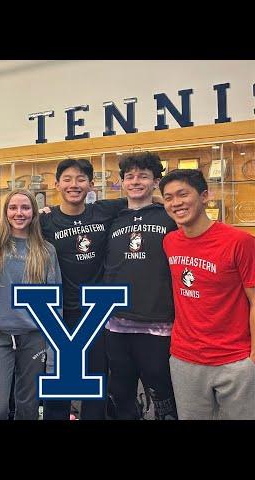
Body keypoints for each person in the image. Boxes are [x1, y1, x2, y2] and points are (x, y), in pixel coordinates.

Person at [0, 158, 127, 420]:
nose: (74, 185)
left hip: (94, 315)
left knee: (94, 387)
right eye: (68, 179)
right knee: (55, 392)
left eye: (81, 179)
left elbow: (142, 202)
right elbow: (6, 221)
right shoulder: (46, 221)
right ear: (57, 184)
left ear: (91, 185)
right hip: (57, 316)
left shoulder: (104, 210)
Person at [160, 169, 255, 420]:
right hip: (185, 358)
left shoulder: (240, 241)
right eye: (168, 198)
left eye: (183, 194)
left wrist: (253, 357)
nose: (176, 203)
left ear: (204, 196)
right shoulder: (170, 242)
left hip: (235, 360)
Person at [102, 152, 178, 420]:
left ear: (155, 181)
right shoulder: (111, 218)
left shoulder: (169, 218)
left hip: (157, 323)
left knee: (162, 395)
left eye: (143, 176)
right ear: (122, 181)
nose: (136, 181)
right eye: (130, 176)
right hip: (115, 322)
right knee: (121, 393)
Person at [0, 189, 61, 420]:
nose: (19, 213)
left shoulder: (46, 251)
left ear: (34, 212)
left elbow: (54, 304)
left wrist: (54, 353)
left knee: (28, 409)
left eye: (25, 207)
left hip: (34, 339)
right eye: (13, 208)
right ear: (5, 212)